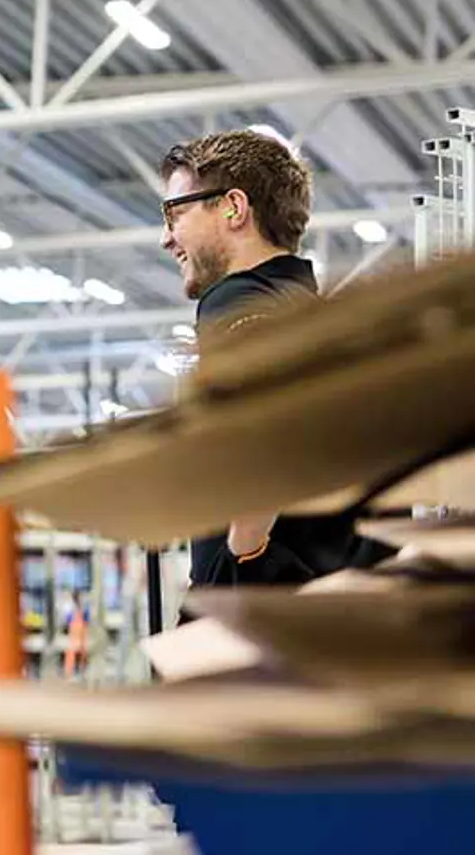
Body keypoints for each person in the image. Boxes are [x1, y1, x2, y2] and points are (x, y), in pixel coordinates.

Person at [158, 129, 391, 588]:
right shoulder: (306, 310)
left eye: (175, 213)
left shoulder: (236, 300)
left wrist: (244, 553)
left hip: (269, 609)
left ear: (234, 207)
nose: (166, 238)